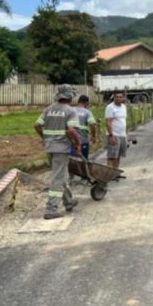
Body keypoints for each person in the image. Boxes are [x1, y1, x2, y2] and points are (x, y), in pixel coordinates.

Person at [34, 85, 82, 220]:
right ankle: (51, 209)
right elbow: (72, 130)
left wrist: (44, 137)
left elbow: (37, 125)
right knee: (57, 178)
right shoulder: (70, 111)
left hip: (50, 148)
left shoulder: (49, 109)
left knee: (62, 175)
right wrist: (78, 144)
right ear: (70, 96)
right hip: (61, 149)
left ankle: (68, 202)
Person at [105, 90, 128, 170]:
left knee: (118, 155)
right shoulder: (110, 107)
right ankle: (109, 173)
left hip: (122, 135)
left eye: (120, 97)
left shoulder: (124, 107)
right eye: (116, 97)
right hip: (114, 135)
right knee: (112, 156)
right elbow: (108, 122)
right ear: (113, 98)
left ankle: (115, 173)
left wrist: (126, 135)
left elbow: (123, 121)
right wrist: (111, 135)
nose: (118, 98)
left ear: (123, 98)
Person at [71, 94, 98, 159]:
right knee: (83, 160)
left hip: (71, 141)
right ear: (87, 103)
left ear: (78, 101)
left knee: (72, 160)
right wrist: (93, 136)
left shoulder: (71, 110)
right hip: (83, 140)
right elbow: (92, 125)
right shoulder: (87, 112)